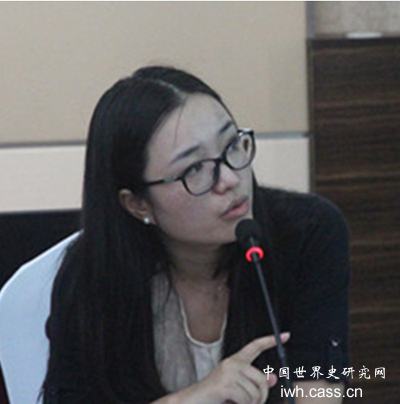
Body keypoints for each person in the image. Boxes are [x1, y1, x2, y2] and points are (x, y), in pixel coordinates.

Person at [42, 66, 350, 404]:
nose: (229, 179)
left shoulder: (307, 233)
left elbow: (319, 388)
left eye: (231, 145)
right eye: (194, 169)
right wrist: (192, 398)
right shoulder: (90, 277)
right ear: (138, 204)